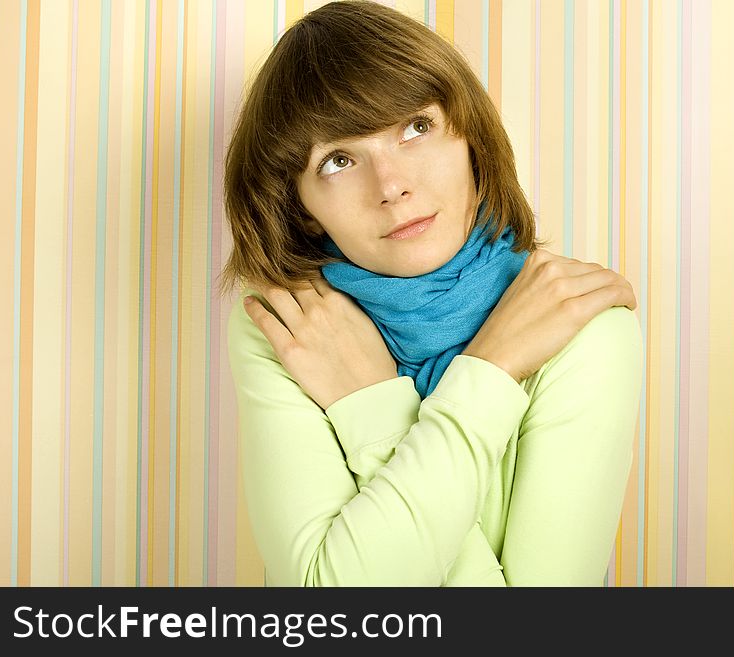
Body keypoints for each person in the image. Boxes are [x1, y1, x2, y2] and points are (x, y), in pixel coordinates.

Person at [222, 0, 642, 586]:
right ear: (303, 209)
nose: (392, 186)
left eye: (416, 128)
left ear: (470, 139)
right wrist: (484, 377)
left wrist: (385, 399)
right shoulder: (290, 323)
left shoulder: (578, 322)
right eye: (339, 160)